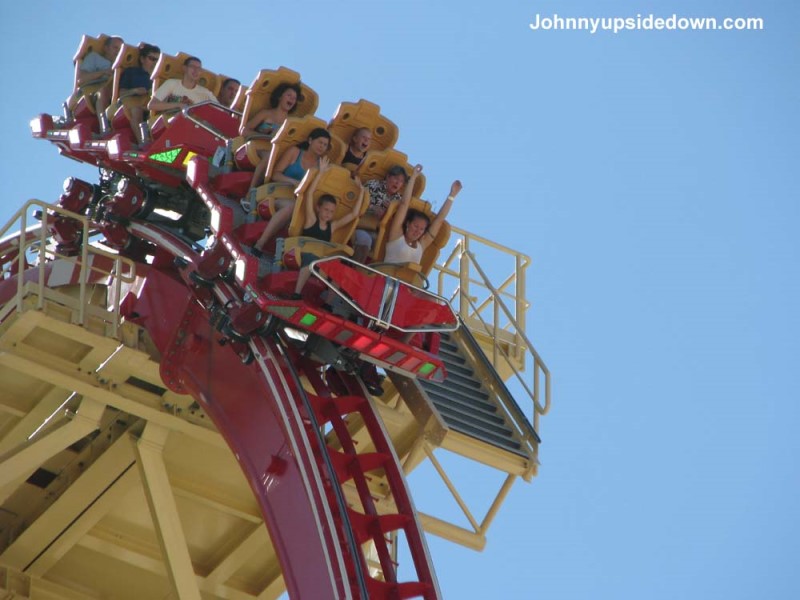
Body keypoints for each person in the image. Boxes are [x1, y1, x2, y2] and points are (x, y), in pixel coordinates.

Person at [289, 157, 364, 298]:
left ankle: (329, 303)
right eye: (326, 210)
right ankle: (297, 293)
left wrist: (361, 193)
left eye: (331, 211)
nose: (328, 214)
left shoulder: (332, 226)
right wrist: (321, 173)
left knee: (340, 269)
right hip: (305, 253)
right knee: (311, 260)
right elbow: (310, 193)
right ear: (318, 208)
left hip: (321, 258)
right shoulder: (311, 219)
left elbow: (354, 214)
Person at [252, 128, 332, 253]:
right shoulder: (295, 152)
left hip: (297, 201)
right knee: (291, 207)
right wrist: (294, 182)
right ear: (310, 140)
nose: (322, 146)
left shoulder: (319, 165)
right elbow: (275, 175)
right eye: (320, 142)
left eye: (325, 145)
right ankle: (260, 243)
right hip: (277, 193)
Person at [384, 165, 462, 264]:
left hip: (407, 279)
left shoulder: (421, 245)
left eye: (421, 229)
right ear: (408, 224)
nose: (418, 231)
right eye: (416, 226)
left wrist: (452, 196)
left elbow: (439, 220)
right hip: (388, 277)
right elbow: (404, 204)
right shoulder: (396, 235)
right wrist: (413, 178)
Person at [242, 82, 303, 192]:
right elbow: (244, 130)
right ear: (280, 96)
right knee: (269, 157)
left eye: (294, 98)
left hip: (277, 152)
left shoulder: (290, 122)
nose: (292, 99)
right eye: (289, 95)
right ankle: (252, 191)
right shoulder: (266, 113)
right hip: (258, 146)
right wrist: (265, 135)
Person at [352, 164, 409, 262]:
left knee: (391, 249)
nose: (397, 183)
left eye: (401, 181)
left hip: (381, 233)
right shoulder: (373, 185)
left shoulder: (398, 200)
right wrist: (372, 207)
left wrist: (389, 213)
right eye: (396, 178)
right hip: (361, 225)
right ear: (388, 176)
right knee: (365, 240)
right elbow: (356, 201)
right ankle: (354, 272)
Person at [118, 43, 161, 144]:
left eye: (157, 60)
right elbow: (121, 93)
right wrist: (135, 90)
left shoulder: (159, 77)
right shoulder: (132, 72)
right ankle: (143, 142)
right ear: (142, 59)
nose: (155, 62)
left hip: (151, 102)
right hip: (133, 100)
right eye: (152, 58)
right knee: (136, 110)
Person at [148, 56, 217, 114]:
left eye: (199, 68)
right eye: (192, 67)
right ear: (184, 68)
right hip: (169, 124)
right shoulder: (171, 83)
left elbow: (221, 111)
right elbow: (152, 105)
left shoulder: (206, 93)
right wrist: (178, 105)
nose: (196, 71)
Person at [77, 35, 123, 121]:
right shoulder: (94, 57)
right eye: (115, 48)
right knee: (103, 91)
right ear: (106, 48)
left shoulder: (123, 66)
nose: (118, 52)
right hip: (95, 91)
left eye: (121, 50)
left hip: (117, 94)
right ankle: (104, 126)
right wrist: (103, 72)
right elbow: (80, 79)